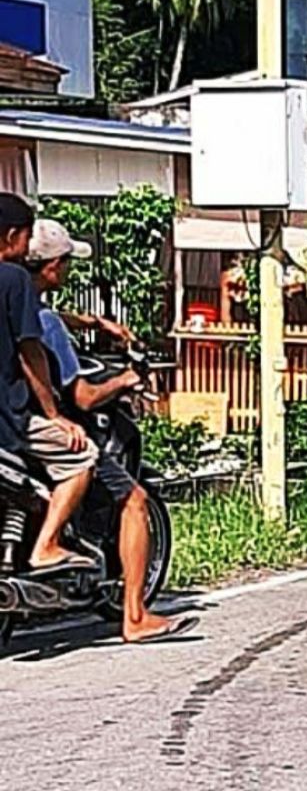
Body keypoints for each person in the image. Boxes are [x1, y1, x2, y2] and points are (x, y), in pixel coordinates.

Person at [26, 218, 197, 643]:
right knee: (135, 500)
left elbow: (46, 316)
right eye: (64, 263)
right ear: (50, 267)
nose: (67, 271)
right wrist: (123, 381)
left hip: (12, 418)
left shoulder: (19, 302)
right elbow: (82, 398)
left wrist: (91, 323)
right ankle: (135, 616)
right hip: (49, 424)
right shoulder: (46, 326)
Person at [0, 193, 98, 573]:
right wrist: (54, 414)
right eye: (26, 237)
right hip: (9, 420)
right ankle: (47, 544)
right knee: (81, 455)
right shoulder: (13, 278)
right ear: (11, 236)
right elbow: (30, 353)